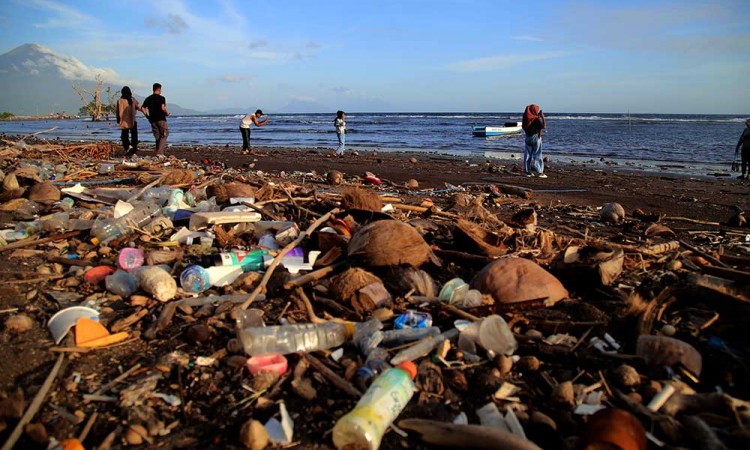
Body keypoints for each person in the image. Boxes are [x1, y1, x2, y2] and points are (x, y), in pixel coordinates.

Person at [141, 83, 170, 157]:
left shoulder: (148, 98)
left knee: (158, 137)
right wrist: (167, 113)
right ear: (159, 89)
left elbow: (143, 108)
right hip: (161, 119)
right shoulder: (161, 98)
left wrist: (147, 115)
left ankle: (158, 152)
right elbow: (163, 108)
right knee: (164, 135)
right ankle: (160, 153)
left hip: (152, 120)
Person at [522, 104, 547, 178]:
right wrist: (542, 117)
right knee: (537, 154)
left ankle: (528, 172)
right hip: (535, 137)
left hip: (527, 137)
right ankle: (539, 172)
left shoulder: (526, 118)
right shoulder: (536, 119)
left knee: (527, 155)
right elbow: (543, 126)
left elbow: (524, 127)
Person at [116, 86, 140, 157]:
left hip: (124, 121)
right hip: (133, 121)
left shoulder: (120, 101)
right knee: (134, 136)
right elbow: (139, 107)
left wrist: (118, 120)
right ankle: (134, 150)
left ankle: (128, 147)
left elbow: (118, 112)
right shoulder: (133, 100)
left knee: (124, 136)